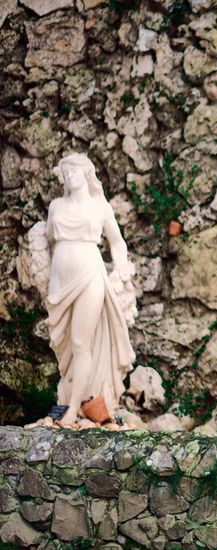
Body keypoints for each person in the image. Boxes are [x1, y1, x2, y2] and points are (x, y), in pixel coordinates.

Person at [45, 153, 136, 426]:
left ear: (86, 174)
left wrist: (120, 268)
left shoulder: (100, 207)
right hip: (61, 282)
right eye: (65, 173)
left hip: (90, 275)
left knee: (80, 342)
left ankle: (74, 408)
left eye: (74, 171)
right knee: (65, 346)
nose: (69, 177)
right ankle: (71, 396)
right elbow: (50, 241)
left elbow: (117, 242)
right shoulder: (56, 207)